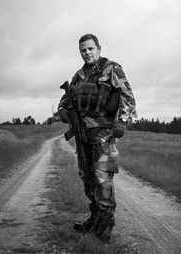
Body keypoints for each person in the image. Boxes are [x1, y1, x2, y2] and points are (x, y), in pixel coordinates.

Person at [58, 34, 137, 242]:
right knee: (87, 176)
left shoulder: (111, 68)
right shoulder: (77, 76)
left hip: (104, 134)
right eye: (83, 50)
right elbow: (65, 100)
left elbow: (127, 96)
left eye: (90, 48)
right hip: (83, 136)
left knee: (102, 177)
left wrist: (122, 122)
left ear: (99, 49)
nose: (87, 53)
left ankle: (105, 221)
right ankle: (94, 218)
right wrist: (62, 111)